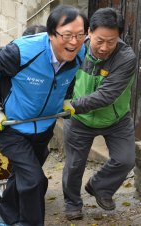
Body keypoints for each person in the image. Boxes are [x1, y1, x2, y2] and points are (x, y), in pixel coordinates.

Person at [0, 5, 88, 226]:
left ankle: (4, 218)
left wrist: (65, 98)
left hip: (43, 127)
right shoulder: (21, 52)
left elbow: (69, 76)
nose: (74, 42)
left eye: (80, 35)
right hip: (12, 126)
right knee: (35, 181)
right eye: (67, 35)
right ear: (51, 34)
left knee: (23, 177)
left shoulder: (80, 52)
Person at [62, 7, 137, 221]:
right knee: (75, 164)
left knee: (125, 160)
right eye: (100, 40)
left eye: (111, 42)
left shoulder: (126, 58)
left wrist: (69, 106)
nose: (104, 48)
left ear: (119, 38)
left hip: (115, 118)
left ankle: (99, 186)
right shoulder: (73, 50)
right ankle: (72, 204)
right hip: (79, 120)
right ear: (89, 33)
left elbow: (105, 96)